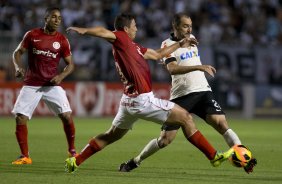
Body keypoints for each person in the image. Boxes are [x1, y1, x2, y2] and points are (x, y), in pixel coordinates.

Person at [64, 13, 234, 173]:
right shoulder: (121, 38)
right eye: (134, 26)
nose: (137, 29)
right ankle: (213, 156)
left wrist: (180, 44)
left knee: (110, 136)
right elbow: (103, 32)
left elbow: (158, 54)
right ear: (125, 29)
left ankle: (76, 161)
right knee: (186, 118)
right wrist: (84, 30)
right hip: (142, 99)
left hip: (128, 102)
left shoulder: (135, 47)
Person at [118, 13, 257, 174]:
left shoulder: (192, 38)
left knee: (221, 123)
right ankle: (135, 161)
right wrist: (199, 67)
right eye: (185, 26)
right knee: (165, 140)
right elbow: (172, 69)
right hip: (181, 96)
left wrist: (199, 68)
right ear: (175, 27)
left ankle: (244, 158)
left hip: (203, 90)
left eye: (190, 25)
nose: (189, 29)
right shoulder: (167, 44)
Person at [11, 7, 77, 165]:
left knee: (67, 115)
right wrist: (18, 67)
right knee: (20, 118)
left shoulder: (62, 40)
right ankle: (25, 156)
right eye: (54, 17)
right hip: (32, 84)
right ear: (45, 18)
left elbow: (70, 65)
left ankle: (72, 150)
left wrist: (61, 76)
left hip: (51, 85)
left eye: (59, 18)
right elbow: (17, 53)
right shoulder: (32, 35)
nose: (57, 20)